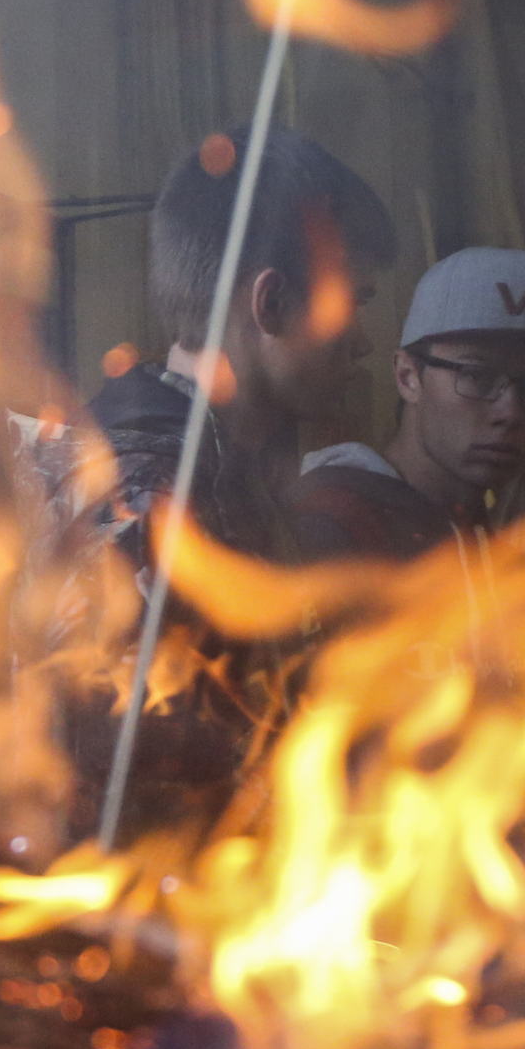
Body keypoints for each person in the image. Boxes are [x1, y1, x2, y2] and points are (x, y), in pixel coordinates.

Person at [65, 126, 397, 837]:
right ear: (271, 304)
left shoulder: (218, 465)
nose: (366, 338)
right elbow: (134, 807)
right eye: (355, 299)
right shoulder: (151, 499)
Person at [282, 246, 525, 565]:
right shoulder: (330, 528)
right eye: (477, 375)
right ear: (408, 377)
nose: (511, 412)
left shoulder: (487, 533)